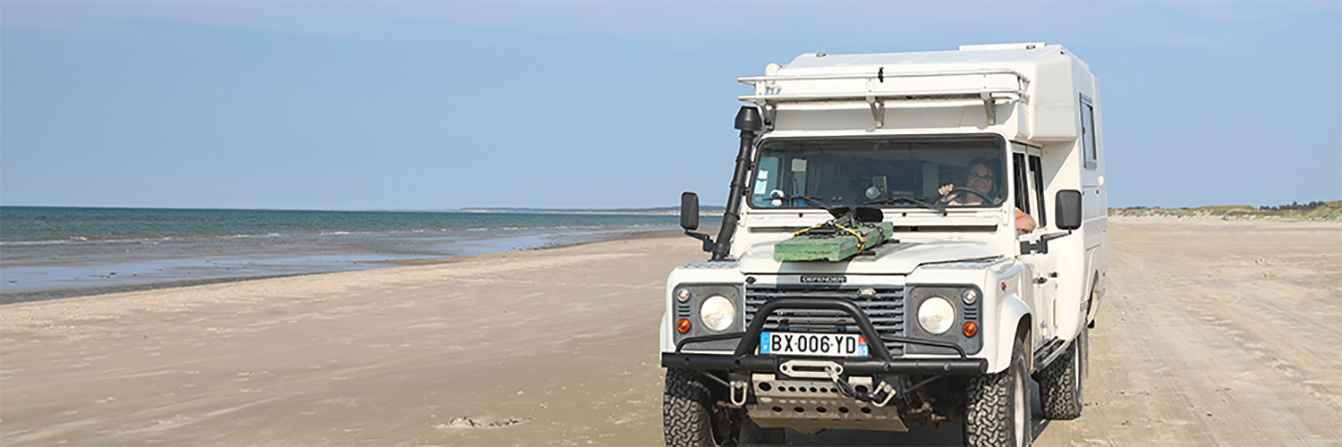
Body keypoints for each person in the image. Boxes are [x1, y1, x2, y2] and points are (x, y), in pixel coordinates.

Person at [937, 159, 1037, 234]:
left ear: (992, 182)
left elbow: (1029, 222)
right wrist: (943, 200)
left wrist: (995, 228)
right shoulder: (952, 203)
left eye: (986, 177)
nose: (980, 181)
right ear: (965, 177)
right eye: (975, 175)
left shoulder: (997, 204)